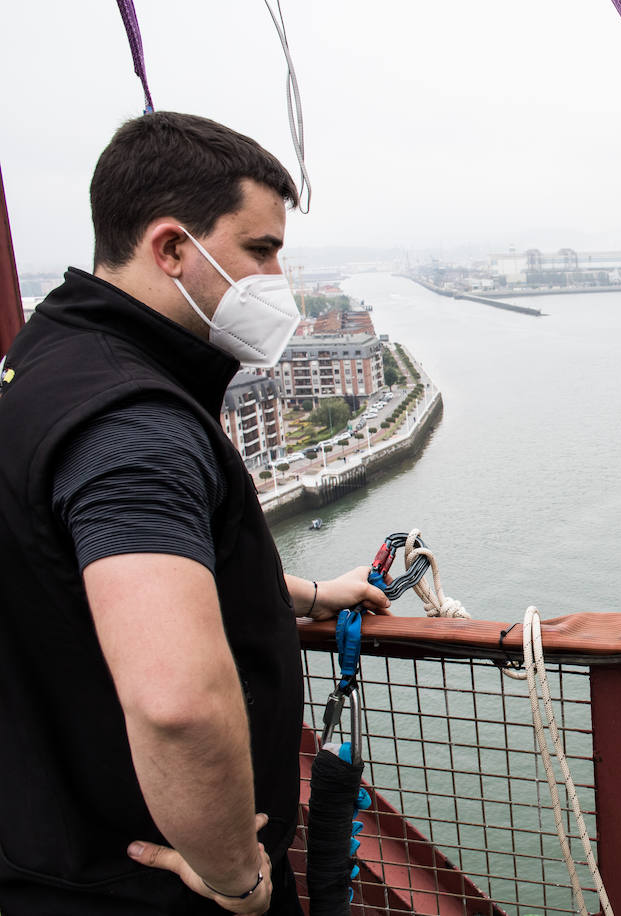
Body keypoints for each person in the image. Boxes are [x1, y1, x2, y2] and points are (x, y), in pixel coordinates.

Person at [0, 112, 390, 914]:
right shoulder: (134, 428)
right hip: (142, 884)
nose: (278, 276)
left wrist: (311, 595)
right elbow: (175, 701)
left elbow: (114, 569)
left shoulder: (41, 361)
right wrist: (235, 877)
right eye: (260, 249)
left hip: (44, 838)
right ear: (173, 248)